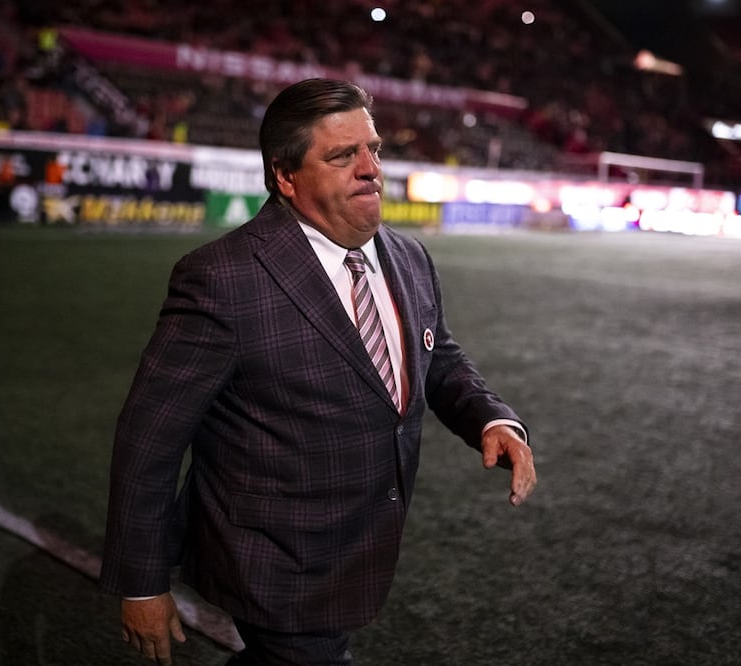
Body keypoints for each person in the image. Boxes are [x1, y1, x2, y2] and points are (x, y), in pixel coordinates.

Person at [99, 78, 536, 665]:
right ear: (285, 175)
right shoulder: (223, 279)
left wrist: (489, 419)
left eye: (373, 150)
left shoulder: (408, 257)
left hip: (361, 544)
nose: (369, 169)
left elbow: (438, 356)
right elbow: (149, 439)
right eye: (341, 155)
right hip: (273, 562)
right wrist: (141, 581)